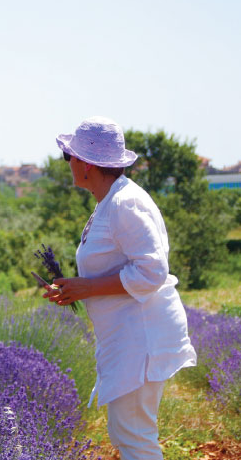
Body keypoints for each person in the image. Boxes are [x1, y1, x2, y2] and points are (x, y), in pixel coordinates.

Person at [44, 116, 197, 460]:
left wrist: (89, 288)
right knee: (127, 433)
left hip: (140, 337)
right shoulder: (110, 201)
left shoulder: (125, 203)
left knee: (134, 437)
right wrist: (76, 289)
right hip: (129, 337)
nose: (69, 165)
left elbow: (152, 271)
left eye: (70, 158)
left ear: (85, 164)